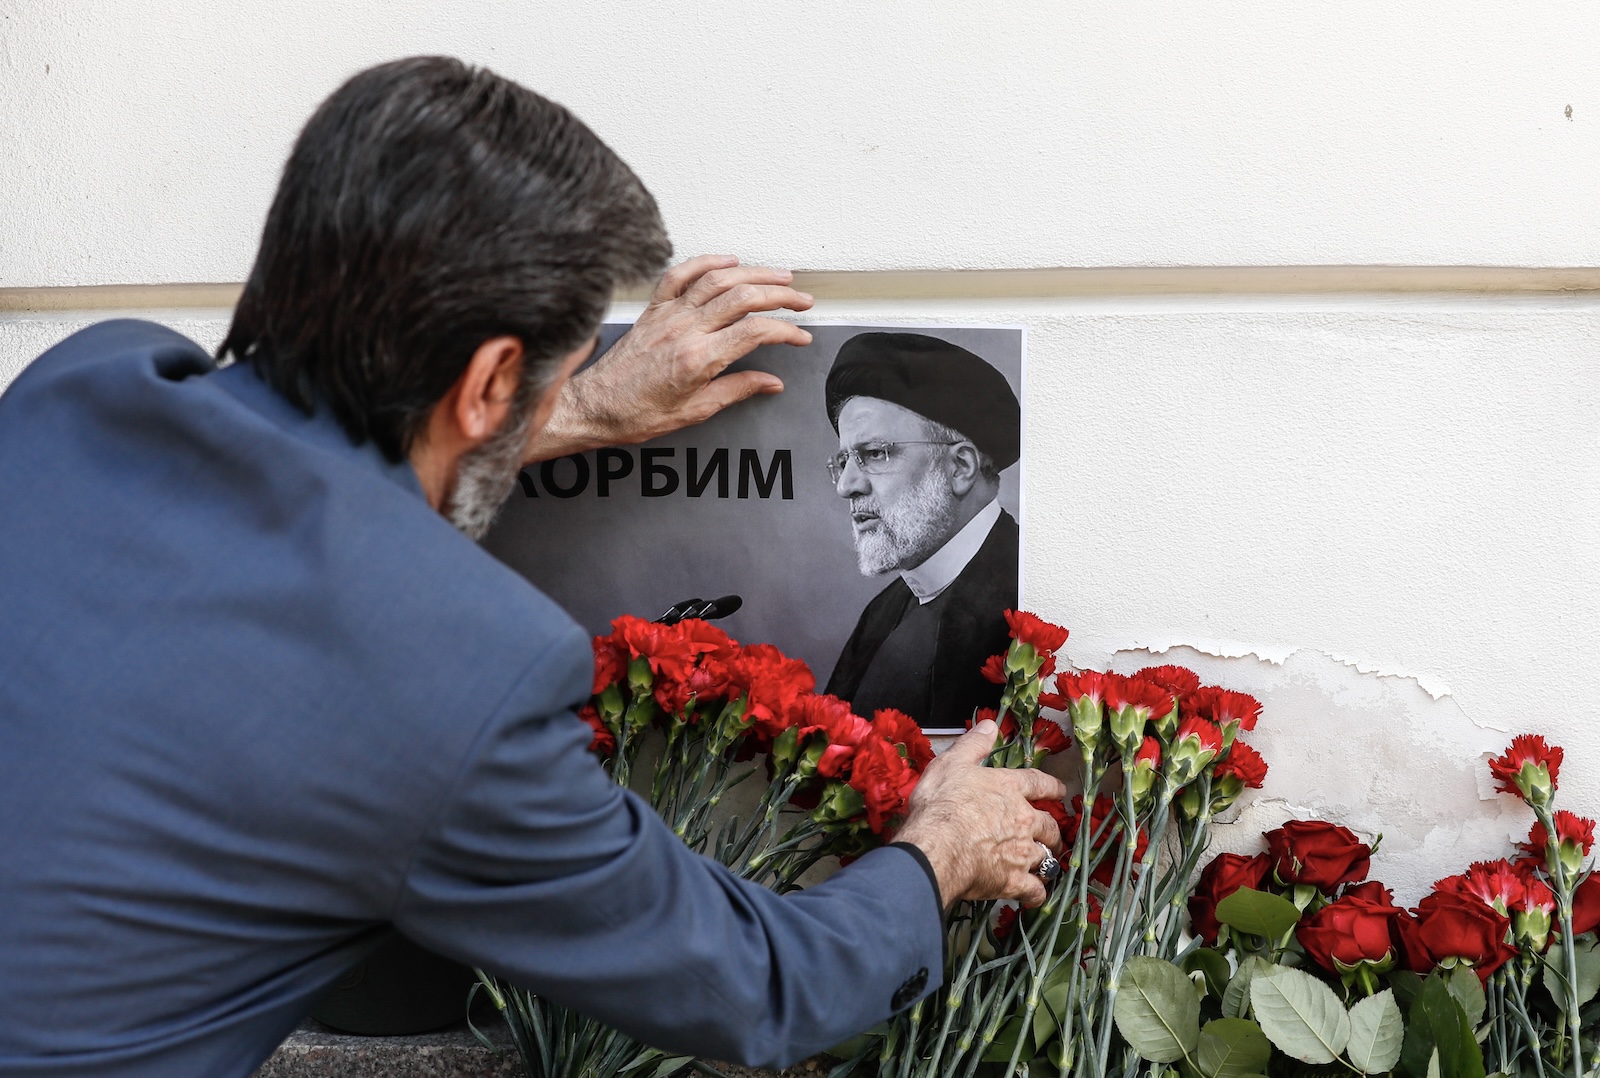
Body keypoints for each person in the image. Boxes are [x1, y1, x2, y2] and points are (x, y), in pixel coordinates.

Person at [0, 57, 1066, 1077]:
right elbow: (759, 986)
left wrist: (575, 410)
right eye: (554, 377)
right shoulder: (456, 676)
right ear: (488, 381)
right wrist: (943, 846)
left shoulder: (87, 385)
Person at [823, 332, 1022, 731]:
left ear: (960, 467)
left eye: (875, 454)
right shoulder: (882, 612)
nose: (847, 486)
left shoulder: (1025, 598)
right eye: (844, 461)